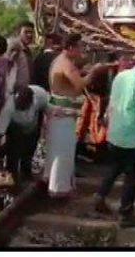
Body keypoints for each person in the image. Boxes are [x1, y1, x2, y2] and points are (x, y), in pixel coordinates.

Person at [93, 53, 135, 227]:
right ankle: (126, 214)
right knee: (131, 177)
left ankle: (99, 196)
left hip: (115, 131)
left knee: (114, 167)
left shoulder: (121, 76)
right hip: (132, 137)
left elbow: (112, 102)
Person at [45, 33, 107, 197]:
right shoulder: (66, 64)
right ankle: (59, 188)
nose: (82, 50)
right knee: (63, 150)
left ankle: (57, 184)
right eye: (79, 47)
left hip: (59, 109)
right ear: (71, 48)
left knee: (59, 149)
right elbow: (79, 85)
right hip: (63, 112)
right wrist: (94, 71)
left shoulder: (60, 60)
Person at [0, 85, 49, 186]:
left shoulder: (41, 96)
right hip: (15, 127)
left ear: (31, 102)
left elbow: (49, 113)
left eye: (23, 105)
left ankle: (26, 173)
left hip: (33, 125)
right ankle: (11, 177)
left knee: (29, 150)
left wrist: (45, 130)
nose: (19, 107)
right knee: (14, 152)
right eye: (18, 104)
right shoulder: (8, 108)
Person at [4, 21, 35, 95]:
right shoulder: (14, 46)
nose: (29, 35)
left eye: (31, 32)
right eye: (26, 32)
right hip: (14, 93)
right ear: (18, 33)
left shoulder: (27, 50)